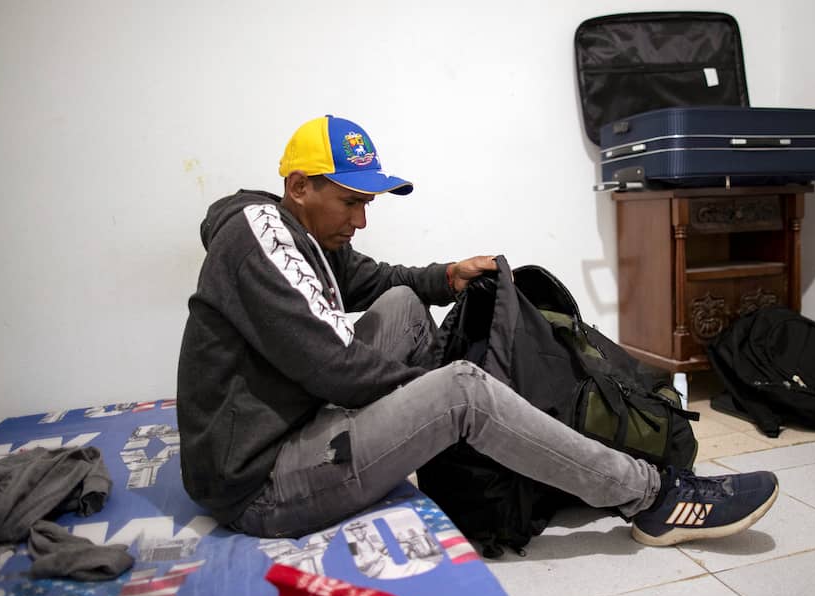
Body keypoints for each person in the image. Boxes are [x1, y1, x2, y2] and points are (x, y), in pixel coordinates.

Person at [176, 114, 778, 549]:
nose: (361, 220)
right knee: (462, 389)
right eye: (351, 202)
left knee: (404, 303)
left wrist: (448, 276)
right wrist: (440, 390)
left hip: (299, 422)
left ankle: (470, 433)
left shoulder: (300, 233)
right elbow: (336, 370)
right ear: (299, 186)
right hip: (260, 482)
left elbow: (373, 280)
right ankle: (651, 498)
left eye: (368, 204)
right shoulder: (261, 238)